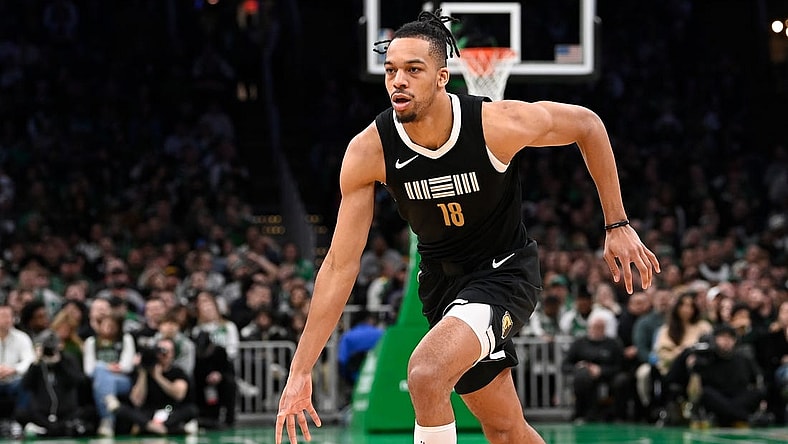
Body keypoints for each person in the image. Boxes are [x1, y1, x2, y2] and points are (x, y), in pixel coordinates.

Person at [275, 10, 660, 444]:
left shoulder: (496, 125)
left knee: (425, 373)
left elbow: (587, 125)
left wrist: (617, 223)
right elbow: (340, 266)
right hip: (442, 287)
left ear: (442, 77)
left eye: (413, 70)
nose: (398, 80)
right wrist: (301, 369)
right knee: (505, 429)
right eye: (391, 70)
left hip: (504, 273)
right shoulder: (369, 151)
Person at [111, 337, 198, 436]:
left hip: (170, 411)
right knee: (122, 409)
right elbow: (136, 401)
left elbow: (179, 395)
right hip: (148, 413)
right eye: (160, 351)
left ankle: (151, 427)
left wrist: (158, 377)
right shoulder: (143, 371)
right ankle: (157, 428)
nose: (163, 355)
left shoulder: (178, 372)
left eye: (167, 351)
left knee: (191, 409)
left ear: (172, 354)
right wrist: (143, 373)